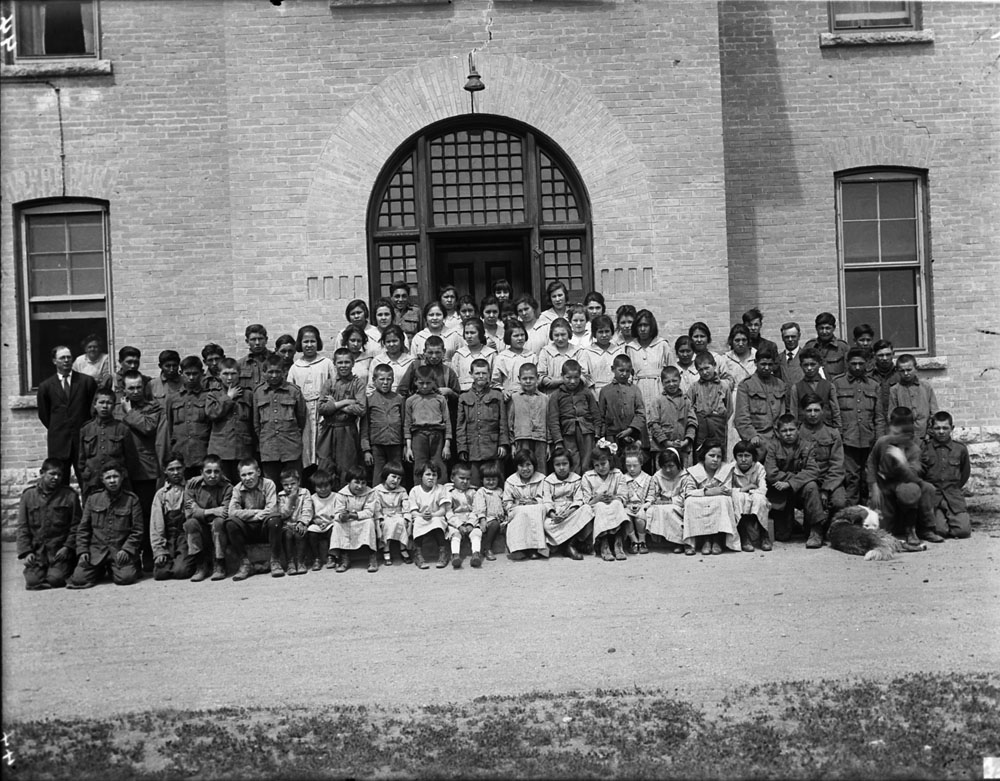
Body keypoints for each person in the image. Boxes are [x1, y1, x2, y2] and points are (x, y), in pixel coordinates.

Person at [866, 407, 943, 546]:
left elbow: (913, 476)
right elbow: (871, 463)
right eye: (893, 430)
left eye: (899, 432)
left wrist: (902, 462)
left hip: (905, 483)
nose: (894, 435)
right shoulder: (882, 442)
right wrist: (874, 487)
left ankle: (916, 530)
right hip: (885, 485)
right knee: (882, 530)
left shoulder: (914, 449)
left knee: (914, 490)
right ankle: (892, 524)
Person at [67, 460, 143, 588]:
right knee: (79, 579)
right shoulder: (93, 499)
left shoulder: (131, 500)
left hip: (119, 551)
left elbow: (137, 531)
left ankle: (122, 567)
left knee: (126, 578)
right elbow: (83, 529)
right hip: (96, 552)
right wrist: (82, 551)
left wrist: (127, 550)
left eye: (115, 477)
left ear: (122, 477)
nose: (112, 481)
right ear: (102, 480)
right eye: (108, 477)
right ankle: (100, 570)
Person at [115, 369, 162, 570]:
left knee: (145, 513)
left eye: (138, 387)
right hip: (122, 470)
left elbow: (148, 427)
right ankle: (129, 556)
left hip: (145, 469)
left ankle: (149, 554)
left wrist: (130, 412)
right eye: (131, 388)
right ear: (123, 389)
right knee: (125, 515)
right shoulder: (116, 408)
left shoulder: (152, 407)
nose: (135, 391)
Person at [36, 344, 98, 486]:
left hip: (83, 441)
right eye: (62, 358)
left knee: (87, 481)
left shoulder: (86, 382)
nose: (66, 361)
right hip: (59, 442)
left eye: (69, 357)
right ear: (54, 361)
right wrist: (59, 428)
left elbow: (92, 411)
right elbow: (44, 415)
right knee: (59, 483)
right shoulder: (46, 386)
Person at [17, 458, 81, 590]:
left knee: (55, 579)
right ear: (42, 473)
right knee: (32, 582)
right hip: (38, 552)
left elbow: (77, 525)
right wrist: (27, 552)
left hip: (59, 551)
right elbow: (23, 527)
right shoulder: (28, 496)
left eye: (59, 475)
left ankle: (59, 572)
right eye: (52, 474)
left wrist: (68, 547)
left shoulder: (69, 495)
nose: (56, 478)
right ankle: (41, 573)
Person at [764, 415, 825, 547]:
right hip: (781, 492)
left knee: (812, 486)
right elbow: (771, 473)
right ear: (777, 432)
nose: (788, 434)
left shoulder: (807, 446)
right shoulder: (773, 447)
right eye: (784, 431)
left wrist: (790, 483)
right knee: (783, 536)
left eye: (791, 430)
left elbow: (813, 470)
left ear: (798, 429)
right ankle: (792, 523)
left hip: (800, 490)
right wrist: (790, 482)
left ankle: (816, 530)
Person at [834, 348, 884, 506]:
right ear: (848, 363)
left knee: (867, 477)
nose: (857, 367)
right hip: (847, 440)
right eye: (853, 363)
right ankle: (852, 516)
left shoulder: (874, 385)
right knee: (851, 478)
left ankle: (867, 517)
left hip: (869, 440)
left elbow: (879, 417)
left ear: (867, 364)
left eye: (861, 364)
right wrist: (838, 437)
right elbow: (834, 414)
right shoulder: (837, 383)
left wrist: (879, 440)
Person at [675, 439, 739, 556]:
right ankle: (702, 540)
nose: (715, 459)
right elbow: (688, 492)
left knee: (723, 500)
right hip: (701, 498)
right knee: (690, 502)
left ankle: (717, 539)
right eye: (711, 455)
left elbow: (726, 490)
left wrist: (715, 492)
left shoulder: (726, 469)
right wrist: (708, 492)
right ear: (704, 455)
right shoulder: (694, 471)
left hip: (718, 499)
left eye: (718, 457)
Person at [253, 355, 307, 486]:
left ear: (284, 372)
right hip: (269, 447)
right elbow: (256, 423)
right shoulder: (258, 392)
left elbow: (301, 418)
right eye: (270, 372)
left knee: (293, 483)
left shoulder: (294, 391)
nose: (274, 375)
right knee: (271, 485)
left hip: (291, 447)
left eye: (277, 371)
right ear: (264, 373)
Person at [286, 325, 335, 470]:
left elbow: (334, 385)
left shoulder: (326, 363)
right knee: (306, 447)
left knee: (323, 446)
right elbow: (290, 392)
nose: (309, 345)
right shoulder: (295, 367)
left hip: (323, 412)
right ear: (300, 344)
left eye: (312, 341)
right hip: (304, 412)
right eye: (305, 342)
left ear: (318, 342)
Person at [797, 393, 847, 531]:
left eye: (816, 410)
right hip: (805, 482)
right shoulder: (796, 432)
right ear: (802, 412)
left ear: (823, 411)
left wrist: (826, 489)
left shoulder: (832, 433)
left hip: (829, 480)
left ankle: (829, 526)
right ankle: (814, 528)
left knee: (839, 501)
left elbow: (837, 465)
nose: (813, 414)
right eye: (809, 410)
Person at [317, 348, 366, 485]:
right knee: (325, 466)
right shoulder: (329, 383)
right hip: (329, 430)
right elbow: (321, 408)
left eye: (347, 362)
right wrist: (345, 402)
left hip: (347, 431)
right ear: (334, 364)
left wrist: (334, 405)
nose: (343, 365)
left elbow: (361, 409)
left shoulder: (358, 383)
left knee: (346, 468)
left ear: (353, 363)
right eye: (340, 362)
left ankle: (345, 500)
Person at [225, 458, 279, 581]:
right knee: (230, 523)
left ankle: (275, 560)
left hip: (265, 527)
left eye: (250, 473)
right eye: (243, 475)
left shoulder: (268, 484)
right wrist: (256, 513)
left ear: (258, 472)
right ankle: (245, 563)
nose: (247, 478)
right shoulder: (237, 489)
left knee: (275, 519)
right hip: (247, 529)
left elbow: (271, 509)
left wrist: (246, 514)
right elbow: (232, 512)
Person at [456, 358, 509, 485]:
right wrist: (462, 447)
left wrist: (503, 444)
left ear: (489, 374)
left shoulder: (497, 395)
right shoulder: (464, 397)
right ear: (471, 374)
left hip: (493, 448)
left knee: (496, 482)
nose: (481, 376)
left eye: (484, 373)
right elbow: (460, 425)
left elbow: (503, 421)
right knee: (474, 484)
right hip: (472, 447)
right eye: (477, 373)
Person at [921, 411, 972, 539]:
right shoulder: (925, 449)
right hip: (934, 497)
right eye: (937, 428)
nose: (941, 431)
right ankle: (942, 522)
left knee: (963, 532)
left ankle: (953, 521)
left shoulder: (960, 449)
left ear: (952, 428)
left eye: (945, 428)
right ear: (932, 430)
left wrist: (955, 488)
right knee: (939, 531)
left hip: (953, 496)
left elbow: (965, 473)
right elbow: (920, 474)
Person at [205, 358, 255, 486]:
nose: (229, 378)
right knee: (223, 484)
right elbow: (212, 414)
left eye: (233, 374)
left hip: (243, 448)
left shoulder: (248, 394)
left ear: (239, 374)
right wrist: (228, 398)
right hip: (221, 449)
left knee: (243, 484)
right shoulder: (213, 394)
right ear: (218, 375)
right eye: (225, 374)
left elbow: (253, 421)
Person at [183, 454, 233, 582]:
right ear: (201, 472)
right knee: (190, 523)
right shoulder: (192, 485)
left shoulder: (227, 487)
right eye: (208, 471)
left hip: (218, 530)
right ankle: (200, 565)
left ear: (221, 472)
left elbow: (225, 512)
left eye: (216, 471)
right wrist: (212, 511)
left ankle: (219, 564)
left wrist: (199, 510)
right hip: (200, 529)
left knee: (219, 521)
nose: (212, 475)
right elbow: (189, 512)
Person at [546, 359, 599, 476]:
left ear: (580, 376)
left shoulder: (586, 392)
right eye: (568, 378)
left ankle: (587, 486)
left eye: (576, 377)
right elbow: (553, 420)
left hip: (587, 431)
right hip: (567, 433)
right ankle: (575, 487)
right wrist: (558, 440)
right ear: (562, 376)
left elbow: (596, 413)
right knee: (573, 461)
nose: (572, 381)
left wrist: (597, 433)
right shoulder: (556, 395)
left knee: (588, 461)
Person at [161, 356, 212, 479]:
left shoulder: (208, 396)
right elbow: (170, 425)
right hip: (181, 452)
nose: (191, 377)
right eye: (187, 374)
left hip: (202, 452)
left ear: (202, 373)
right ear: (181, 373)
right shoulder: (172, 398)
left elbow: (211, 425)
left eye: (195, 373)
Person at [541, 446, 594, 560]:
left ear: (570, 464)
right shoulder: (548, 481)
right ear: (553, 466)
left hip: (571, 512)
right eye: (558, 465)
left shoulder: (576, 479)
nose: (561, 468)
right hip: (556, 514)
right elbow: (547, 500)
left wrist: (569, 512)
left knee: (587, 510)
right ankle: (568, 545)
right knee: (546, 525)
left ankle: (570, 544)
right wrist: (553, 515)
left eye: (564, 464)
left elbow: (579, 499)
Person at [150, 454, 197, 581]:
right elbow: (156, 525)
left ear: (184, 468)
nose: (175, 473)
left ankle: (186, 560)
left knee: (181, 572)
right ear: (165, 470)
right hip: (168, 537)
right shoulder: (161, 494)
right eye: (171, 469)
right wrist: (159, 550)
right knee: (161, 574)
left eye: (178, 468)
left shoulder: (191, 488)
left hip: (185, 536)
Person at [733, 345, 786, 457]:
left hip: (779, 439)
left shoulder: (780, 384)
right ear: (756, 363)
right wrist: (751, 436)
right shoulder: (746, 385)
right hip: (758, 440)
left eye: (770, 365)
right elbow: (741, 417)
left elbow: (784, 414)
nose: (767, 368)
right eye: (763, 364)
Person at [77, 387, 129, 498]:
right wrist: (84, 474)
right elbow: (81, 458)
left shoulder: (122, 428)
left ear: (114, 406)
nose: (105, 406)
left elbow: (130, 457)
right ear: (95, 405)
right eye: (101, 402)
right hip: (92, 481)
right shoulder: (86, 429)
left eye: (109, 403)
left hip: (115, 482)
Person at [404, 365, 452, 481]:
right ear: (415, 382)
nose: (425, 386)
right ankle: (419, 495)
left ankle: (441, 495)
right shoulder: (411, 400)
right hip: (418, 436)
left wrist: (447, 445)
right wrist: (409, 448)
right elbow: (407, 424)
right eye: (421, 383)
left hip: (437, 435)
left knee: (439, 465)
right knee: (419, 465)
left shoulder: (440, 399)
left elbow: (447, 422)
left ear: (434, 382)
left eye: (428, 383)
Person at [598, 354, 647, 468]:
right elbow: (601, 415)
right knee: (615, 465)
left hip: (632, 436)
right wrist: (602, 437)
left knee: (631, 464)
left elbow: (640, 412)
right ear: (613, 369)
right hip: (612, 437)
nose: (624, 374)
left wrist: (630, 429)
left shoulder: (635, 390)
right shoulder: (605, 391)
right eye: (621, 370)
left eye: (627, 371)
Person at [582, 446, 630, 561]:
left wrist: (614, 498)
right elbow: (587, 502)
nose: (600, 468)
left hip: (615, 505)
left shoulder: (618, 474)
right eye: (596, 465)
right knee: (600, 506)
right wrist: (598, 498)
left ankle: (618, 544)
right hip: (596, 508)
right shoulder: (588, 476)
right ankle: (604, 544)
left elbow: (623, 496)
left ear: (610, 461)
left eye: (603, 464)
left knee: (616, 505)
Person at [362, 364, 405, 487]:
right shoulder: (369, 400)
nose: (385, 383)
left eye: (389, 379)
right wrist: (366, 450)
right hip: (377, 444)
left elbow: (404, 423)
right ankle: (376, 500)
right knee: (378, 473)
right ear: (374, 381)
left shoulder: (399, 399)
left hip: (396, 444)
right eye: (381, 379)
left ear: (393, 380)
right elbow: (365, 426)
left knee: (396, 472)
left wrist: (405, 445)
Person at [502, 449, 549, 560]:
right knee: (520, 513)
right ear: (516, 467)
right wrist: (517, 503)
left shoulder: (541, 479)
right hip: (518, 509)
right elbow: (506, 503)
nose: (525, 469)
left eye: (528, 465)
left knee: (537, 508)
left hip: (536, 508)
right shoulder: (511, 481)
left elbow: (547, 499)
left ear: (534, 465)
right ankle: (519, 548)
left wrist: (534, 501)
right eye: (521, 466)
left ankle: (535, 548)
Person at [647, 365, 696, 466]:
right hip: (662, 448)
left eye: (674, 380)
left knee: (683, 474)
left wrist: (686, 441)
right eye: (667, 382)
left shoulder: (686, 401)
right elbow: (653, 424)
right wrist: (666, 442)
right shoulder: (658, 401)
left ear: (680, 380)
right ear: (662, 383)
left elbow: (692, 422)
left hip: (682, 448)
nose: (672, 384)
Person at [729, 440, 771, 552]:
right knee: (738, 498)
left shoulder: (759, 468)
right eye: (740, 456)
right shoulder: (731, 468)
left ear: (753, 457)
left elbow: (763, 489)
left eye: (747, 456)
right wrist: (745, 489)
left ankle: (764, 535)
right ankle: (744, 537)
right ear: (735, 457)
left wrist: (750, 494)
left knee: (760, 499)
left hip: (755, 496)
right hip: (738, 498)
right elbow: (727, 490)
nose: (743, 459)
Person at [626, 309, 670, 414]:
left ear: (652, 326)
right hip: (638, 388)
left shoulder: (662, 345)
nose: (642, 329)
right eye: (639, 325)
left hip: (658, 387)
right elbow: (628, 374)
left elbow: (671, 370)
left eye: (646, 325)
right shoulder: (630, 347)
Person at [687, 351, 732, 457]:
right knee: (700, 454)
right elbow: (688, 408)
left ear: (714, 365)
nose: (705, 372)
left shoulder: (724, 386)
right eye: (701, 370)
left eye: (707, 368)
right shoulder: (694, 387)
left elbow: (730, 409)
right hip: (700, 428)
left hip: (718, 427)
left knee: (718, 453)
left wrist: (718, 417)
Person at [408, 461, 451, 569]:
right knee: (418, 522)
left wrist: (433, 514)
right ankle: (418, 554)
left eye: (434, 475)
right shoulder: (415, 491)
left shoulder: (440, 489)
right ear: (420, 476)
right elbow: (413, 511)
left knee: (438, 522)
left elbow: (443, 510)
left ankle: (443, 552)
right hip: (421, 517)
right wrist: (421, 515)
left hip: (436, 516)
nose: (431, 478)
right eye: (428, 474)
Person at [508, 363, 550, 471]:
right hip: (521, 439)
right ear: (519, 379)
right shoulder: (514, 398)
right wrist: (512, 444)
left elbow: (549, 422)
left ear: (537, 378)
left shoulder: (545, 398)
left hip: (540, 440)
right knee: (523, 468)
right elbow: (510, 422)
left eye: (531, 378)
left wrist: (549, 444)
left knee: (540, 469)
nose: (528, 381)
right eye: (524, 378)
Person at [787, 348, 842, 430]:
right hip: (804, 431)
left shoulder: (829, 386)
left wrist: (838, 430)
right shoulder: (796, 387)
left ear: (819, 364)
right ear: (801, 366)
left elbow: (835, 411)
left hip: (826, 430)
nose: (809, 368)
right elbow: (793, 412)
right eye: (806, 365)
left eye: (813, 364)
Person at [889, 354, 939, 440]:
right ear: (897, 371)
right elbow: (891, 416)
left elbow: (934, 412)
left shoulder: (926, 387)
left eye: (909, 370)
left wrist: (929, 433)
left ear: (916, 368)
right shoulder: (895, 390)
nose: (906, 373)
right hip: (904, 437)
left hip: (925, 436)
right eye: (902, 371)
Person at [276, 467, 314, 576]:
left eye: (292, 484)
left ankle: (301, 561)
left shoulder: (305, 493)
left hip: (300, 523)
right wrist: (291, 500)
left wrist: (302, 522)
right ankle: (290, 563)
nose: (289, 487)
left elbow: (307, 509)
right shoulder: (281, 495)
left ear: (299, 482)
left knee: (299, 534)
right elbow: (282, 514)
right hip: (287, 525)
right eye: (285, 485)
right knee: (287, 535)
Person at [645, 448, 685, 553]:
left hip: (678, 504)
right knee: (652, 511)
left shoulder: (685, 476)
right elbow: (652, 494)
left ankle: (678, 541)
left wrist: (670, 500)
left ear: (678, 463)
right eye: (664, 467)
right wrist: (651, 501)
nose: (667, 470)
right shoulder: (658, 476)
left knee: (670, 510)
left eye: (671, 466)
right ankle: (660, 540)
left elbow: (686, 495)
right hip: (660, 504)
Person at [372, 462, 412, 566]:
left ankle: (403, 548)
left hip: (398, 514)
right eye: (393, 477)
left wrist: (407, 518)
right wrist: (379, 520)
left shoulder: (402, 490)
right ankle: (386, 550)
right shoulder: (377, 490)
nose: (396, 480)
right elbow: (376, 509)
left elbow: (406, 506)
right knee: (386, 524)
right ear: (386, 476)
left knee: (402, 522)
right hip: (384, 515)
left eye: (399, 478)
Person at [445, 462, 482, 568]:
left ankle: (476, 554)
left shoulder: (473, 492)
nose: (465, 482)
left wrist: (471, 523)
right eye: (461, 478)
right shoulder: (449, 492)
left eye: (468, 479)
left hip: (471, 519)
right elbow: (448, 512)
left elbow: (476, 510)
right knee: (455, 534)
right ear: (452, 478)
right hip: (456, 521)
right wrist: (459, 525)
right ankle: (455, 555)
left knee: (476, 533)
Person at [492, 320, 536, 400]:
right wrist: (503, 391)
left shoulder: (532, 356)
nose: (520, 338)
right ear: (509, 337)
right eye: (516, 336)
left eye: (522, 335)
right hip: (510, 398)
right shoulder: (501, 358)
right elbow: (495, 382)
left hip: (530, 397)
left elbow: (538, 378)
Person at [366, 324, 414, 396]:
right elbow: (371, 387)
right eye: (388, 342)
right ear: (384, 343)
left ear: (401, 341)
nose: (391, 344)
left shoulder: (411, 361)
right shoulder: (377, 361)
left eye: (395, 341)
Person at [582, 314, 622, 400]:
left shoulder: (619, 351)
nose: (604, 335)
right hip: (596, 395)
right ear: (594, 334)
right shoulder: (587, 352)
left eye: (607, 331)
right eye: (600, 332)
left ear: (612, 332)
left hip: (618, 393)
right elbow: (584, 375)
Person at [537, 318, 582, 393]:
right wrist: (561, 380)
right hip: (551, 394)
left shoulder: (578, 351)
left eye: (563, 334)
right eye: (556, 335)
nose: (560, 339)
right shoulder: (545, 352)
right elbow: (540, 377)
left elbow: (584, 376)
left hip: (574, 394)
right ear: (551, 335)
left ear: (569, 333)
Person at [452, 317, 497, 392]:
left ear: (480, 333)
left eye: (472, 333)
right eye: (466, 333)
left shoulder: (491, 354)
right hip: (464, 394)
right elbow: (455, 378)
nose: (469, 336)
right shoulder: (458, 355)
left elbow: (495, 379)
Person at [473, 460, 506, 560]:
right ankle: (487, 548)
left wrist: (505, 513)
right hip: (488, 519)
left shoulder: (500, 491)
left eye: (493, 479)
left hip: (500, 519)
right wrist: (482, 520)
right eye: (488, 479)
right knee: (494, 524)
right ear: (482, 480)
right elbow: (480, 507)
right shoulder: (481, 492)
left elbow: (505, 503)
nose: (491, 482)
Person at [622, 448, 653, 554]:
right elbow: (621, 494)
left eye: (635, 465)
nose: (631, 469)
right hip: (628, 506)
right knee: (627, 518)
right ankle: (633, 541)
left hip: (642, 506)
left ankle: (642, 540)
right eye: (628, 466)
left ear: (641, 464)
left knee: (640, 518)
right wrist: (626, 505)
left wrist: (645, 505)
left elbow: (651, 496)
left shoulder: (648, 479)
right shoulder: (622, 479)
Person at [307, 469, 337, 569]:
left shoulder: (336, 497)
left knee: (334, 529)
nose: (323, 489)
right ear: (314, 487)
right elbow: (309, 513)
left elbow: (339, 513)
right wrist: (315, 520)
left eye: (326, 486)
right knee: (311, 531)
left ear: (331, 485)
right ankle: (316, 558)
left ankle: (331, 556)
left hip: (331, 523)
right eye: (319, 487)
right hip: (318, 524)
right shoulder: (312, 498)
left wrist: (330, 522)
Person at [803, 312, 850, 378]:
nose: (824, 332)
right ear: (816, 328)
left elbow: (848, 372)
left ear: (834, 328)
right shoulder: (809, 346)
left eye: (828, 328)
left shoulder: (843, 347)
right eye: (821, 328)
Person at [869, 339, 899, 421]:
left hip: (897, 421)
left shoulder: (900, 375)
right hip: (875, 421)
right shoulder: (868, 376)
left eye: (888, 354)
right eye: (881, 355)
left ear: (893, 354)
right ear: (874, 356)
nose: (885, 358)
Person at [238, 324, 273, 393]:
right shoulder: (239, 365)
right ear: (247, 341)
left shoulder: (275, 360)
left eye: (260, 339)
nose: (257, 343)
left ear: (266, 340)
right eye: (253, 339)